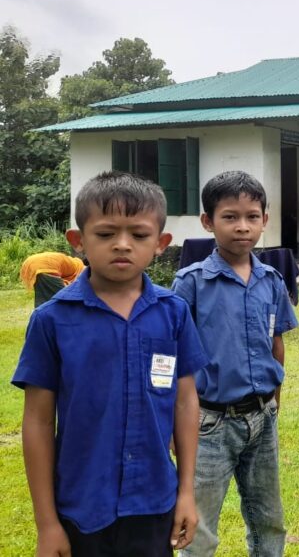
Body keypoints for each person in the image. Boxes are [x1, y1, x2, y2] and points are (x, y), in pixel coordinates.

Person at [12, 171, 208, 556]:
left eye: (138, 235)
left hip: (155, 503)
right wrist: (47, 524)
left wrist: (186, 493)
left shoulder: (174, 314)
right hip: (80, 507)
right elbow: (36, 421)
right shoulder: (51, 321)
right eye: (105, 234)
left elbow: (186, 403)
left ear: (161, 244)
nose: (122, 245)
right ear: (78, 241)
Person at [172, 171, 299, 556]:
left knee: (268, 518)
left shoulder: (272, 281)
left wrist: (274, 401)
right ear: (208, 222)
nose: (242, 227)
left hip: (262, 420)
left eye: (252, 216)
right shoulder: (190, 284)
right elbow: (173, 360)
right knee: (200, 526)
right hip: (208, 424)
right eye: (230, 217)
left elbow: (276, 344)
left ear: (265, 219)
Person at [19, 251, 86, 307]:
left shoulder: (71, 263)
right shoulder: (82, 269)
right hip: (47, 265)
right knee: (63, 299)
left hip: (31, 262)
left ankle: (41, 317)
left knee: (43, 295)